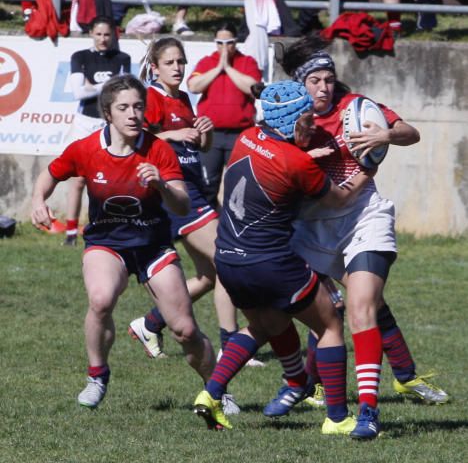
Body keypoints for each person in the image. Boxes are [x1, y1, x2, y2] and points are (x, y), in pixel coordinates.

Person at [276, 39, 447, 439]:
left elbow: (411, 132)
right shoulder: (286, 116)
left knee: (361, 309)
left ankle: (368, 410)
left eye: (329, 79)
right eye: (315, 80)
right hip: (311, 228)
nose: (324, 87)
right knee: (310, 315)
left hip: (363, 218)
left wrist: (386, 134)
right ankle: (300, 383)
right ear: (300, 85)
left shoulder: (355, 106)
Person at [193, 80, 376, 433]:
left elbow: (273, 164)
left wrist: (304, 158)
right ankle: (337, 418)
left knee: (261, 326)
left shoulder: (247, 137)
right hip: (271, 263)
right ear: (290, 121)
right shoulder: (296, 161)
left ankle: (211, 394)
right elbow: (338, 199)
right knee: (330, 325)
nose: (312, 125)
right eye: (307, 119)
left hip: (229, 260)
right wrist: (367, 170)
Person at [31, 74, 215, 409]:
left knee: (185, 330)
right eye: (124, 107)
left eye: (138, 107)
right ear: (108, 114)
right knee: (100, 300)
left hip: (153, 246)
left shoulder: (158, 149)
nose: (133, 114)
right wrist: (37, 200)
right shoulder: (87, 149)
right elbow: (51, 173)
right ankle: (97, 374)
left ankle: (216, 390)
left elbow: (183, 205)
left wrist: (161, 185)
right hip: (107, 243)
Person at [127, 38, 238, 385]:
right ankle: (232, 348)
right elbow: (143, 140)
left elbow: (196, 144)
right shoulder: (152, 98)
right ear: (155, 67)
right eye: (170, 62)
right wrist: (177, 132)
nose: (178, 67)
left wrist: (204, 133)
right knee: (228, 260)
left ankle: (150, 323)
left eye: (181, 61)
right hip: (176, 190)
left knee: (208, 275)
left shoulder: (184, 99)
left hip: (193, 186)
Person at [64, 16, 131, 246]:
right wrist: (107, 85)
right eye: (98, 34)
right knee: (79, 180)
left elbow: (121, 93)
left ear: (114, 35)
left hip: (108, 124)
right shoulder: (80, 57)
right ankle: (71, 232)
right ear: (91, 33)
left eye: (107, 34)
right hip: (84, 121)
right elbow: (78, 93)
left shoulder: (122, 58)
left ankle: (106, 227)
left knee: (107, 179)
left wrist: (92, 86)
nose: (103, 39)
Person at [187, 22, 262, 209]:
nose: (224, 47)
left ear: (236, 42)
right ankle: (208, 221)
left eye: (229, 42)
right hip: (210, 134)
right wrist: (217, 68)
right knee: (207, 182)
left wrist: (228, 68)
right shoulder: (207, 62)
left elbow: (253, 88)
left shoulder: (247, 62)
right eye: (219, 43)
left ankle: (235, 223)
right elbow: (193, 86)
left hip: (240, 133)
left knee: (240, 182)